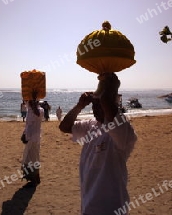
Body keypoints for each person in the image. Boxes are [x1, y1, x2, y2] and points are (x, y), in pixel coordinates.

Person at [59, 73, 137, 215]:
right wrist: (79, 105)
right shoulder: (91, 125)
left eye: (99, 104)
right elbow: (64, 127)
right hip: (88, 206)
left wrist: (110, 84)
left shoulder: (123, 129)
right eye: (94, 105)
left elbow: (108, 102)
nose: (95, 108)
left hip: (111, 208)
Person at [20, 99, 43, 187]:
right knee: (32, 158)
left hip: (34, 138)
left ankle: (34, 180)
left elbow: (37, 114)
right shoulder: (30, 110)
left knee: (31, 159)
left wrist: (33, 98)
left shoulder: (39, 110)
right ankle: (36, 178)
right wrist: (24, 133)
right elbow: (28, 125)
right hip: (30, 137)